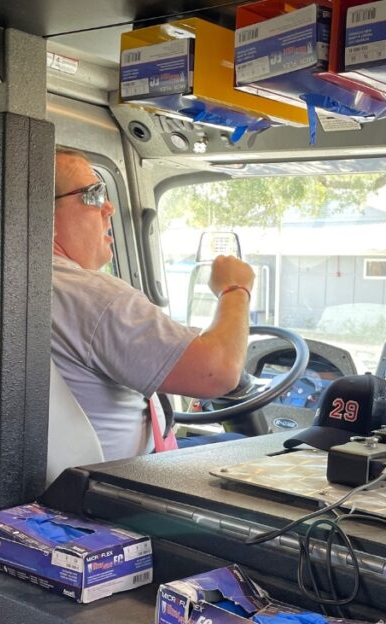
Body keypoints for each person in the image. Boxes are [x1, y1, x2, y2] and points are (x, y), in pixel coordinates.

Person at [50, 148, 254, 460]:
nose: (109, 207)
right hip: (123, 478)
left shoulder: (17, 284)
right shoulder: (93, 297)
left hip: (75, 476)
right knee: (255, 450)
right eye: (93, 195)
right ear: (43, 213)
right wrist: (235, 289)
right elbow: (219, 372)